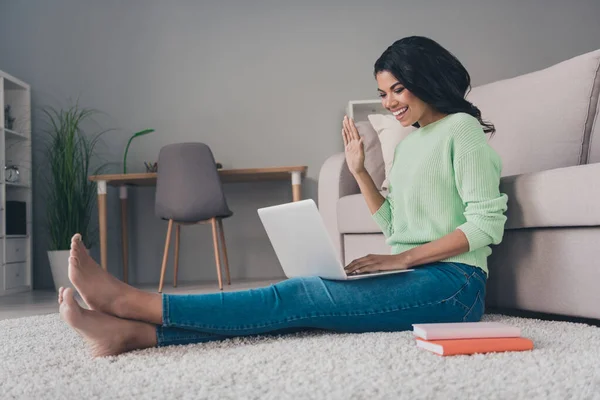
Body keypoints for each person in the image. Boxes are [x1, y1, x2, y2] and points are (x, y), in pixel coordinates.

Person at [58, 36, 508, 358]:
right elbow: (395, 226)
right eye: (382, 93)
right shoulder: (410, 143)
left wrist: (402, 260)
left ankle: (136, 303)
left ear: (426, 81)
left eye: (397, 89)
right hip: (421, 280)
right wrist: (359, 173)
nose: (389, 102)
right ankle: (135, 337)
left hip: (455, 287)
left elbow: (484, 225)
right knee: (301, 307)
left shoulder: (461, 131)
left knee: (302, 296)